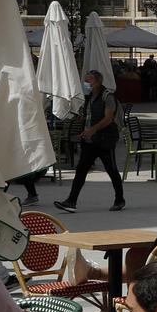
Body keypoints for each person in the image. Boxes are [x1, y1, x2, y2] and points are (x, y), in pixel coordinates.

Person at [55, 69, 126, 214]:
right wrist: (83, 124)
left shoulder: (108, 96)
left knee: (111, 170)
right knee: (81, 171)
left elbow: (108, 118)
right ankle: (71, 201)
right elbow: (89, 117)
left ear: (98, 81)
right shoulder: (89, 98)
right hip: (89, 141)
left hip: (105, 140)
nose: (86, 83)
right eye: (85, 80)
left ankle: (119, 199)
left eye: (89, 80)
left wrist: (92, 130)